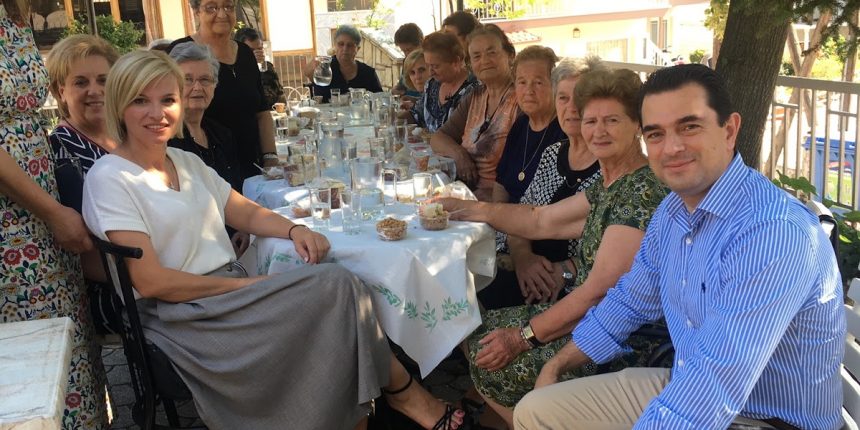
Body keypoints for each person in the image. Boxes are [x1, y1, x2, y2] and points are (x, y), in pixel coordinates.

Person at [83, 48, 470, 430]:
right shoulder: (111, 178)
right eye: (140, 101)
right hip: (181, 317)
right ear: (119, 105)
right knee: (337, 287)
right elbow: (152, 282)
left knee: (339, 294)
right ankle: (402, 396)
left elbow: (245, 212)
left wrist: (295, 229)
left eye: (167, 99)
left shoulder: (185, 163)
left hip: (227, 297)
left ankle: (379, 407)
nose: (157, 113)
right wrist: (251, 286)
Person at [514, 64, 846, 429]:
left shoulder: (771, 233)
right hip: (690, 380)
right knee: (535, 410)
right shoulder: (672, 212)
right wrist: (558, 363)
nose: (671, 148)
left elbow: (713, 386)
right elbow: (629, 301)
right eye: (656, 134)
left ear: (729, 130)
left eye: (689, 127)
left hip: (768, 419)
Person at [439, 67, 669, 428]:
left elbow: (599, 293)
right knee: (470, 323)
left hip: (622, 341)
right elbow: (539, 219)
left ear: (637, 125)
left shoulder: (642, 192)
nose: (598, 130)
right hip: (590, 319)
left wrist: (522, 339)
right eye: (591, 120)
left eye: (612, 120)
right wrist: (469, 209)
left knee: (491, 356)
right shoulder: (613, 184)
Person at [0, 2, 107, 429]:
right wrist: (51, 211)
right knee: (34, 349)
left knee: (70, 337)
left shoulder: (13, 16)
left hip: (39, 209)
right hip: (13, 222)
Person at [480, 56, 602, 311]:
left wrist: (561, 272)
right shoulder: (553, 153)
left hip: (575, 292)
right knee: (466, 285)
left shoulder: (609, 166)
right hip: (528, 272)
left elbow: (611, 256)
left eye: (581, 98)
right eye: (563, 98)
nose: (571, 107)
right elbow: (522, 215)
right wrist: (523, 258)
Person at [46, 34, 121, 338]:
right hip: (115, 289)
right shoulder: (60, 152)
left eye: (103, 80)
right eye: (81, 82)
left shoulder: (130, 134)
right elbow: (85, 252)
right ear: (60, 91)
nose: (95, 90)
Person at [168, 0, 278, 180]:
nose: (222, 14)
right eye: (211, 7)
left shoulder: (245, 53)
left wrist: (270, 156)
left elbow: (262, 110)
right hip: (204, 167)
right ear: (196, 11)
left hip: (253, 166)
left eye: (228, 6)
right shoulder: (181, 53)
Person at [167, 42, 250, 256]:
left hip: (236, 240)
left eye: (205, 79)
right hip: (196, 250)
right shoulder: (166, 141)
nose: (197, 87)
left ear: (215, 86)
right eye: (187, 79)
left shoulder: (221, 134)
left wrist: (243, 229)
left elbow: (235, 191)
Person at [430, 24, 518, 201]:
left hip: (499, 198)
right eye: (476, 56)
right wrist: (459, 154)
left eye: (491, 52)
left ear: (509, 55)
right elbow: (438, 137)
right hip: (467, 192)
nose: (484, 61)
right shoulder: (475, 96)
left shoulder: (521, 99)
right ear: (471, 64)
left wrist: (491, 199)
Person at [493, 45, 564, 204]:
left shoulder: (564, 131)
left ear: (555, 85)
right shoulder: (520, 124)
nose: (528, 91)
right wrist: (497, 215)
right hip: (506, 215)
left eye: (538, 82)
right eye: (522, 82)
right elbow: (500, 184)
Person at [408, 31, 477, 133]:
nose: (430, 72)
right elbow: (417, 115)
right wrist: (392, 116)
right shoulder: (432, 84)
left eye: (435, 66)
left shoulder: (473, 90)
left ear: (455, 62)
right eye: (428, 65)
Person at [304, 25, 383, 103]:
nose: (345, 49)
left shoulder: (368, 73)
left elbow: (381, 99)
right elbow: (307, 73)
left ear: (357, 49)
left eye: (350, 45)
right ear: (335, 46)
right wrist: (312, 66)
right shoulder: (324, 68)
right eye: (341, 44)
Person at [234, 27, 284, 107]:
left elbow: (280, 96)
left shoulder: (268, 67)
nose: (257, 53)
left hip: (272, 112)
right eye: (250, 50)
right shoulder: (234, 70)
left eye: (259, 49)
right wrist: (249, 65)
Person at [392, 22, 424, 97]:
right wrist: (396, 90)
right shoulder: (406, 61)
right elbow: (402, 86)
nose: (407, 55)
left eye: (409, 50)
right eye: (403, 51)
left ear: (421, 43)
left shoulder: (430, 62)